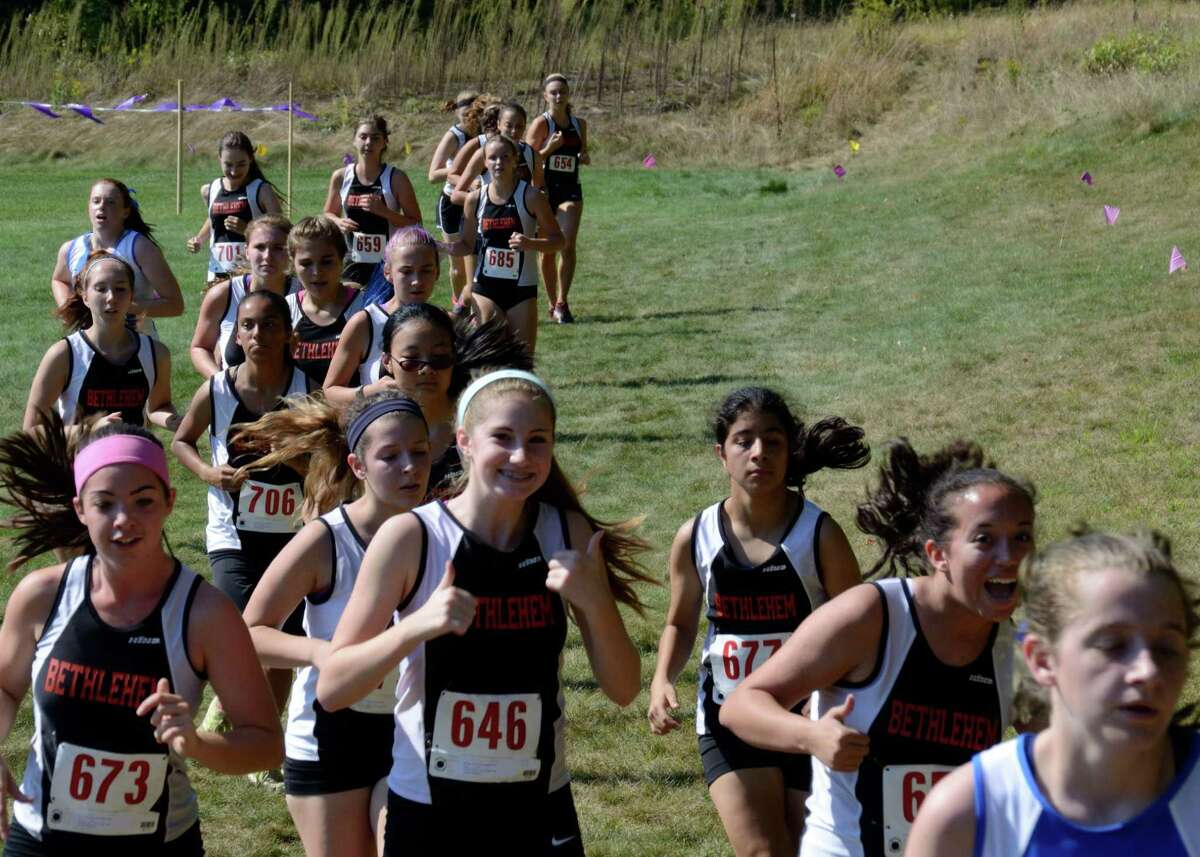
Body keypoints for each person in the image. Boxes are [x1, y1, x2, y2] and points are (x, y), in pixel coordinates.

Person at [316, 369, 653, 854]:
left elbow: (623, 689)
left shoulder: (567, 534)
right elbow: (333, 688)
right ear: (464, 442)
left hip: (538, 803)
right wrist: (418, 626)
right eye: (503, 438)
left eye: (538, 440)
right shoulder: (413, 538)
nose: (521, 456)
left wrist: (596, 601)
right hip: (431, 808)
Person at [719, 439, 1036, 857]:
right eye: (985, 539)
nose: (1008, 555)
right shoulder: (873, 615)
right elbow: (741, 705)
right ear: (938, 554)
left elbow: (1068, 761)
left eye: (1021, 537)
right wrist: (811, 735)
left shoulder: (1017, 653)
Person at [0, 418, 282, 855]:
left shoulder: (205, 615)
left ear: (170, 501)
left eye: (143, 501)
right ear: (80, 509)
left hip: (158, 843)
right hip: (41, 840)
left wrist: (196, 741)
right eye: (105, 503)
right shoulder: (42, 596)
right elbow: (5, 686)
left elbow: (265, 746)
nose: (124, 520)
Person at [648, 387, 870, 856]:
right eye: (744, 441)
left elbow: (861, 631)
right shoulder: (696, 535)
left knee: (809, 848)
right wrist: (662, 679)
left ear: (790, 450)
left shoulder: (819, 534)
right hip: (729, 720)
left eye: (772, 441)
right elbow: (680, 622)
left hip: (805, 716)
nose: (759, 454)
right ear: (721, 453)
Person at [906, 529, 1200, 857]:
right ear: (1042, 659)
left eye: (1167, 649)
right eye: (1113, 645)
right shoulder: (965, 815)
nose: (1148, 671)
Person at [241, 392, 432, 857]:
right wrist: (320, 652)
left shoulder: (443, 531)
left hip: (415, 732)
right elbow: (249, 632)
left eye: (420, 452)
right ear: (358, 465)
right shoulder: (326, 540)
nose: (410, 467)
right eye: (390, 456)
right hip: (331, 738)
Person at [171, 290, 310, 764]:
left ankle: (264, 738)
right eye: (247, 325)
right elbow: (182, 441)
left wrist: (302, 469)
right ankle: (248, 722)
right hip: (232, 533)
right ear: (235, 334)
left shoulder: (308, 389)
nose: (258, 335)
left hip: (293, 533)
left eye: (269, 325)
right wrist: (210, 474)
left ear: (289, 333)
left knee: (285, 634)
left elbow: (335, 465)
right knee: (245, 629)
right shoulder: (218, 390)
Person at [25, 250, 178, 434]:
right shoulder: (64, 355)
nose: (111, 297)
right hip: (79, 460)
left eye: (120, 289)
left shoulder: (156, 353)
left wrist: (173, 420)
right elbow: (32, 429)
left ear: (131, 296)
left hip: (132, 458)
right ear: (85, 296)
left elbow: (158, 408)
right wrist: (90, 429)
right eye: (100, 288)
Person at [458, 136, 563, 352]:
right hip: (485, 286)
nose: (498, 163)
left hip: (521, 288)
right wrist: (437, 248)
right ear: (484, 162)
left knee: (522, 360)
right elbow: (466, 246)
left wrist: (530, 243)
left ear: (515, 160)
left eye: (505, 157)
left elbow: (558, 241)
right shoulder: (474, 199)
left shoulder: (532, 197)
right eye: (493, 158)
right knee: (487, 357)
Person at [322, 227, 441, 404]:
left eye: (426, 270)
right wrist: (372, 391)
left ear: (437, 272)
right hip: (377, 426)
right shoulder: (365, 323)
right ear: (388, 272)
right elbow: (330, 391)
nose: (416, 281)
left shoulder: (444, 324)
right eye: (406, 271)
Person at [50, 178, 183, 336]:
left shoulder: (140, 248)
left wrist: (122, 307)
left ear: (125, 211)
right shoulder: (70, 249)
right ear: (88, 207)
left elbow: (175, 304)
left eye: (111, 202)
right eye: (96, 201)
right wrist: (70, 308)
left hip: (136, 349)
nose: (102, 206)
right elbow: (59, 280)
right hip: (86, 347)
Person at [324, 115, 422, 302]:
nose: (368, 142)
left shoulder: (396, 178)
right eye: (363, 137)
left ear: (385, 142)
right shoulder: (341, 177)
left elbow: (416, 223)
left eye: (375, 138)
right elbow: (328, 213)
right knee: (349, 311)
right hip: (351, 258)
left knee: (380, 312)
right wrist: (339, 222)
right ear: (354, 140)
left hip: (386, 261)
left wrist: (384, 211)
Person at [189, 214, 299, 379]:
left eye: (278, 248)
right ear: (246, 250)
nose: (267, 256)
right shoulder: (223, 295)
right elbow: (200, 347)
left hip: (294, 400)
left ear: (291, 252)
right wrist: (222, 383)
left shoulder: (304, 295)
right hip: (236, 398)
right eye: (260, 247)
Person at [525, 74, 588, 324]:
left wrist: (584, 156)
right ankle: (553, 304)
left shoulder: (579, 124)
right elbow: (527, 160)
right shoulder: (542, 124)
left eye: (562, 91)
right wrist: (548, 149)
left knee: (567, 244)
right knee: (548, 250)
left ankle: (563, 301)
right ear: (545, 96)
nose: (558, 96)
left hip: (570, 190)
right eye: (553, 92)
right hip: (544, 191)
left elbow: (583, 151)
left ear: (568, 94)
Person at [185, 131, 284, 282]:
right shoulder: (210, 190)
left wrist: (247, 229)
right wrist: (199, 239)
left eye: (241, 164)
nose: (234, 171)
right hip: (217, 274)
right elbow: (213, 220)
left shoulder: (261, 190)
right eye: (228, 164)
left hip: (252, 275)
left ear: (250, 159)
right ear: (219, 159)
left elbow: (282, 231)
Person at [285, 216, 365, 387]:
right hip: (299, 411)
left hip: (353, 410)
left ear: (342, 258)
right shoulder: (284, 310)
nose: (317, 272)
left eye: (326, 262)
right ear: (293, 263)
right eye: (306, 263)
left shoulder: (364, 307)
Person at [427, 91, 480, 316]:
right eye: (464, 109)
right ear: (457, 111)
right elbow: (433, 174)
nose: (469, 114)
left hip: (477, 202)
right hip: (452, 203)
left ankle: (473, 307)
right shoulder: (454, 136)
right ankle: (459, 306)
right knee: (457, 265)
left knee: (475, 260)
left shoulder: (486, 132)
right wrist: (463, 171)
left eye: (472, 109)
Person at [449, 102, 542, 205]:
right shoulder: (483, 153)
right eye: (508, 126)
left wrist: (538, 198)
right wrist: (490, 202)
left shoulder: (531, 154)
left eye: (519, 127)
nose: (513, 131)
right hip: (489, 218)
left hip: (522, 220)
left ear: (525, 127)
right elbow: (456, 195)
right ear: (499, 124)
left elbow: (540, 189)